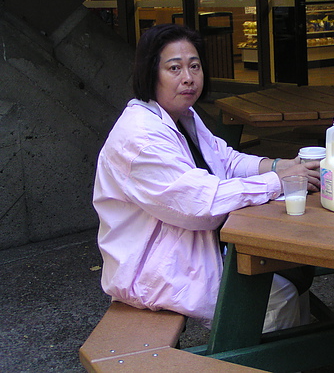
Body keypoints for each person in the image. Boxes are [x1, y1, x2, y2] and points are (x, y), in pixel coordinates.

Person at [93, 23, 320, 332]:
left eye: (194, 66)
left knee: (289, 271)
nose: (188, 77)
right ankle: (252, 359)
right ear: (150, 73)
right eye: (174, 68)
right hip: (154, 272)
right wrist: (279, 182)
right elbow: (203, 206)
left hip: (188, 250)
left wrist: (279, 165)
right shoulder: (140, 138)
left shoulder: (180, 114)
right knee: (278, 295)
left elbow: (223, 159)